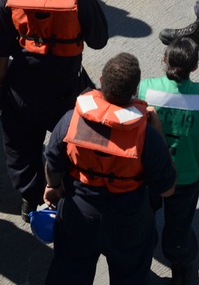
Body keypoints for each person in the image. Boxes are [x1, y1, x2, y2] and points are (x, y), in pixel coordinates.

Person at [0, 0, 108, 221]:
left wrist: (2, 77)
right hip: (65, 86)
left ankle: (30, 199)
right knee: (70, 144)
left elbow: (3, 43)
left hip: (22, 84)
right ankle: (63, 193)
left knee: (20, 147)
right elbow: (99, 40)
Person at [42, 53, 177, 284]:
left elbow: (53, 162)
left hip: (79, 215)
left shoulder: (70, 120)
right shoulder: (148, 136)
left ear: (102, 81)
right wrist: (159, 130)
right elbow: (167, 190)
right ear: (135, 91)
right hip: (128, 222)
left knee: (68, 275)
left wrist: (52, 186)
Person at [136, 37, 199, 284]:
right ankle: (180, 269)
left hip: (150, 172)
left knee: (143, 219)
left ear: (164, 60)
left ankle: (140, 264)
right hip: (187, 173)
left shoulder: (146, 88)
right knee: (179, 225)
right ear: (195, 67)